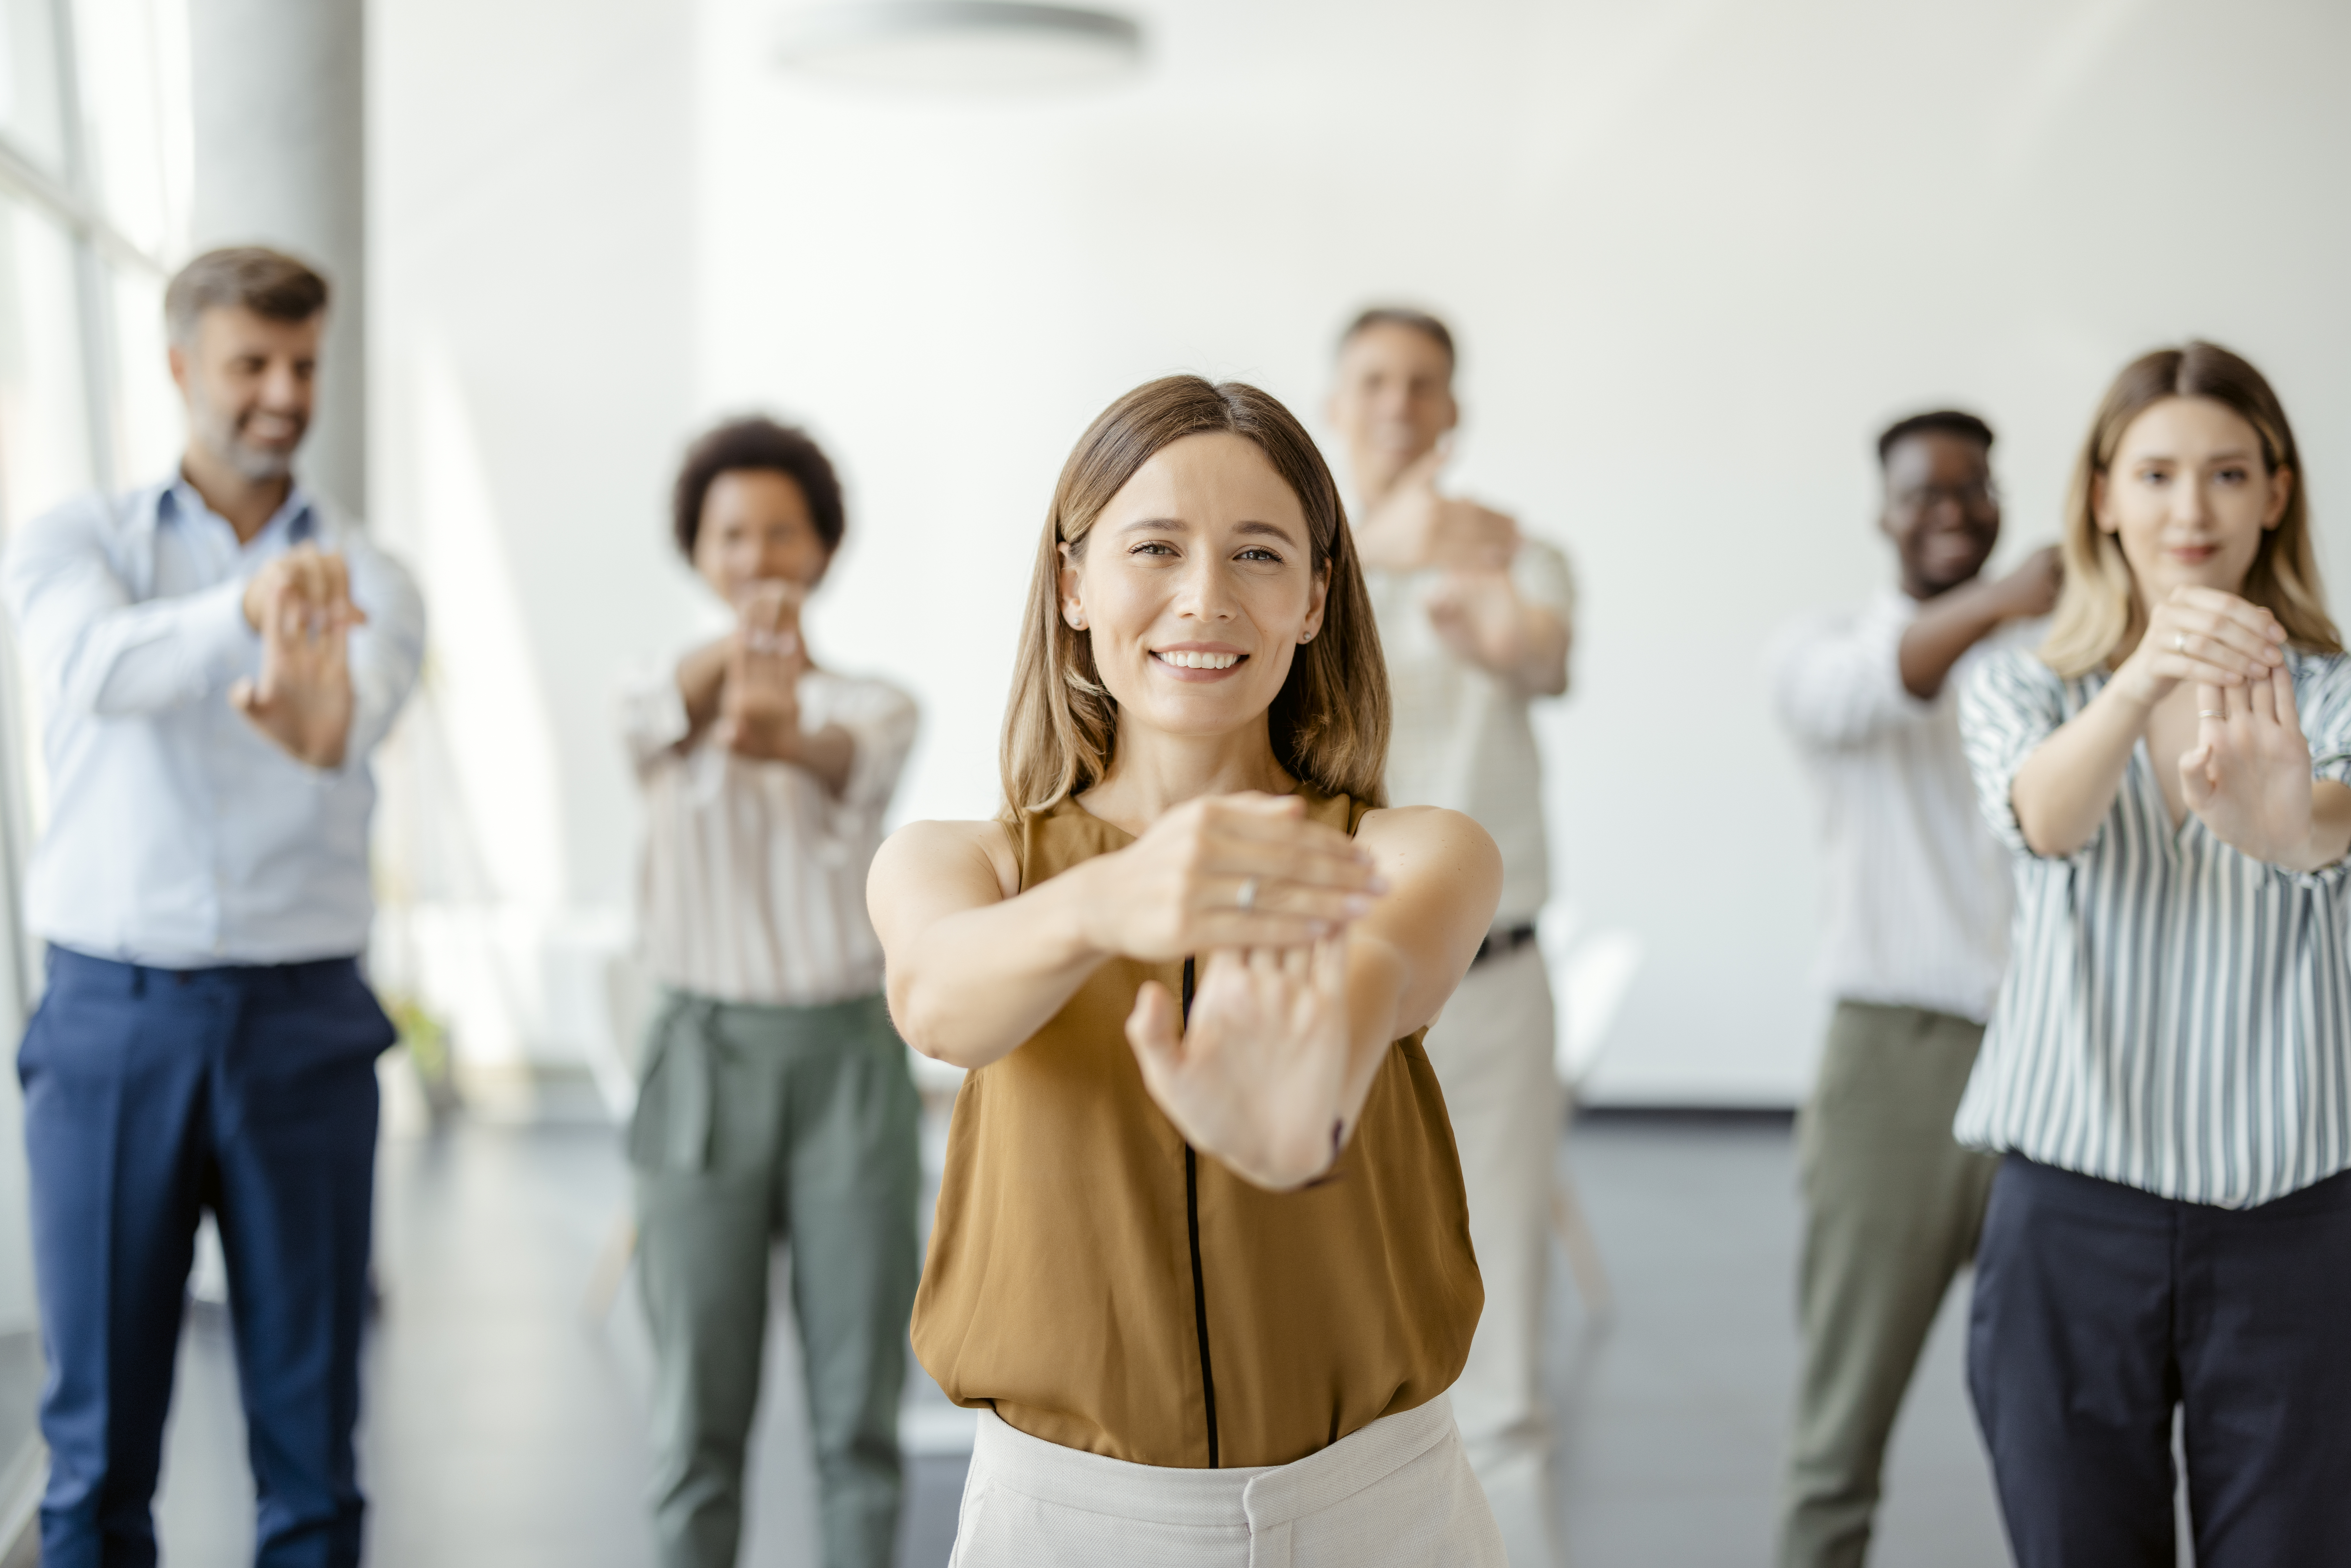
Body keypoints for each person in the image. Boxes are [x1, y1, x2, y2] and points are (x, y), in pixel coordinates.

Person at [869, 375, 1506, 1565]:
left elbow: (1385, 974)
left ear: (1316, 598)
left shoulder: (1412, 849)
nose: (1205, 600)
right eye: (1152, 547)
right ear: (1072, 585)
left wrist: (1304, 1103)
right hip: (1058, 1525)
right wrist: (1111, 894)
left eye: (1258, 554)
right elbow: (940, 1001)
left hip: (1378, 1512)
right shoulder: (958, 863)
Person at [1, 247, 424, 1566]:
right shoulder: (81, 539)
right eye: (251, 363)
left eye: (304, 364)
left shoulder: (374, 574)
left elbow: (344, 727)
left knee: (313, 1453)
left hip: (304, 1022)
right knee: (95, 1452)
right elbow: (84, 670)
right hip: (112, 1012)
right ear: (182, 367)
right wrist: (239, 611)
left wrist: (303, 692)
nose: (283, 393)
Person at [1958, 342, 2351, 1566]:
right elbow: (2043, 820)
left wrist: (2288, 825)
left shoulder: (2332, 695)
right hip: (2068, 1222)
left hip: (2296, 1228)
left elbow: (2325, 823)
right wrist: (2138, 680)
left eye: (2227, 474)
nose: (2190, 509)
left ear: (2273, 494)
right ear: (2100, 495)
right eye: (2157, 474)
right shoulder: (2017, 688)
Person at [619, 416, 921, 1568]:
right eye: (731, 534)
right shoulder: (649, 699)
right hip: (700, 1056)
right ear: (696, 550)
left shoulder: (873, 706)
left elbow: (829, 758)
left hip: (849, 1057)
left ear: (824, 549)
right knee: (695, 1416)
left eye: (781, 534)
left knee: (858, 1413)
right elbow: (671, 716)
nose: (756, 557)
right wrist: (738, 661)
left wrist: (782, 725)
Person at [1767, 410, 2059, 1568]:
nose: (1949, 510)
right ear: (1879, 513)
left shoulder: (2052, 663)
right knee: (1842, 1422)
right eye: (1921, 492)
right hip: (1891, 1061)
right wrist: (2003, 600)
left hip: (2047, 1057)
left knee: (2064, 1417)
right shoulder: (1821, 648)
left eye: (1972, 487)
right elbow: (1879, 687)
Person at [1324, 306, 1572, 1567]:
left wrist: (1463, 586)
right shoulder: (1297, 564)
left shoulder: (1515, 553)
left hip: (1493, 990)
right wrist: (1379, 551)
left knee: (1503, 1356)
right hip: (1325, 982)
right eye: (1373, 378)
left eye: (1423, 381)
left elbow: (1540, 652)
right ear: (1333, 395)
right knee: (1324, 1343)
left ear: (1455, 408)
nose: (1398, 402)